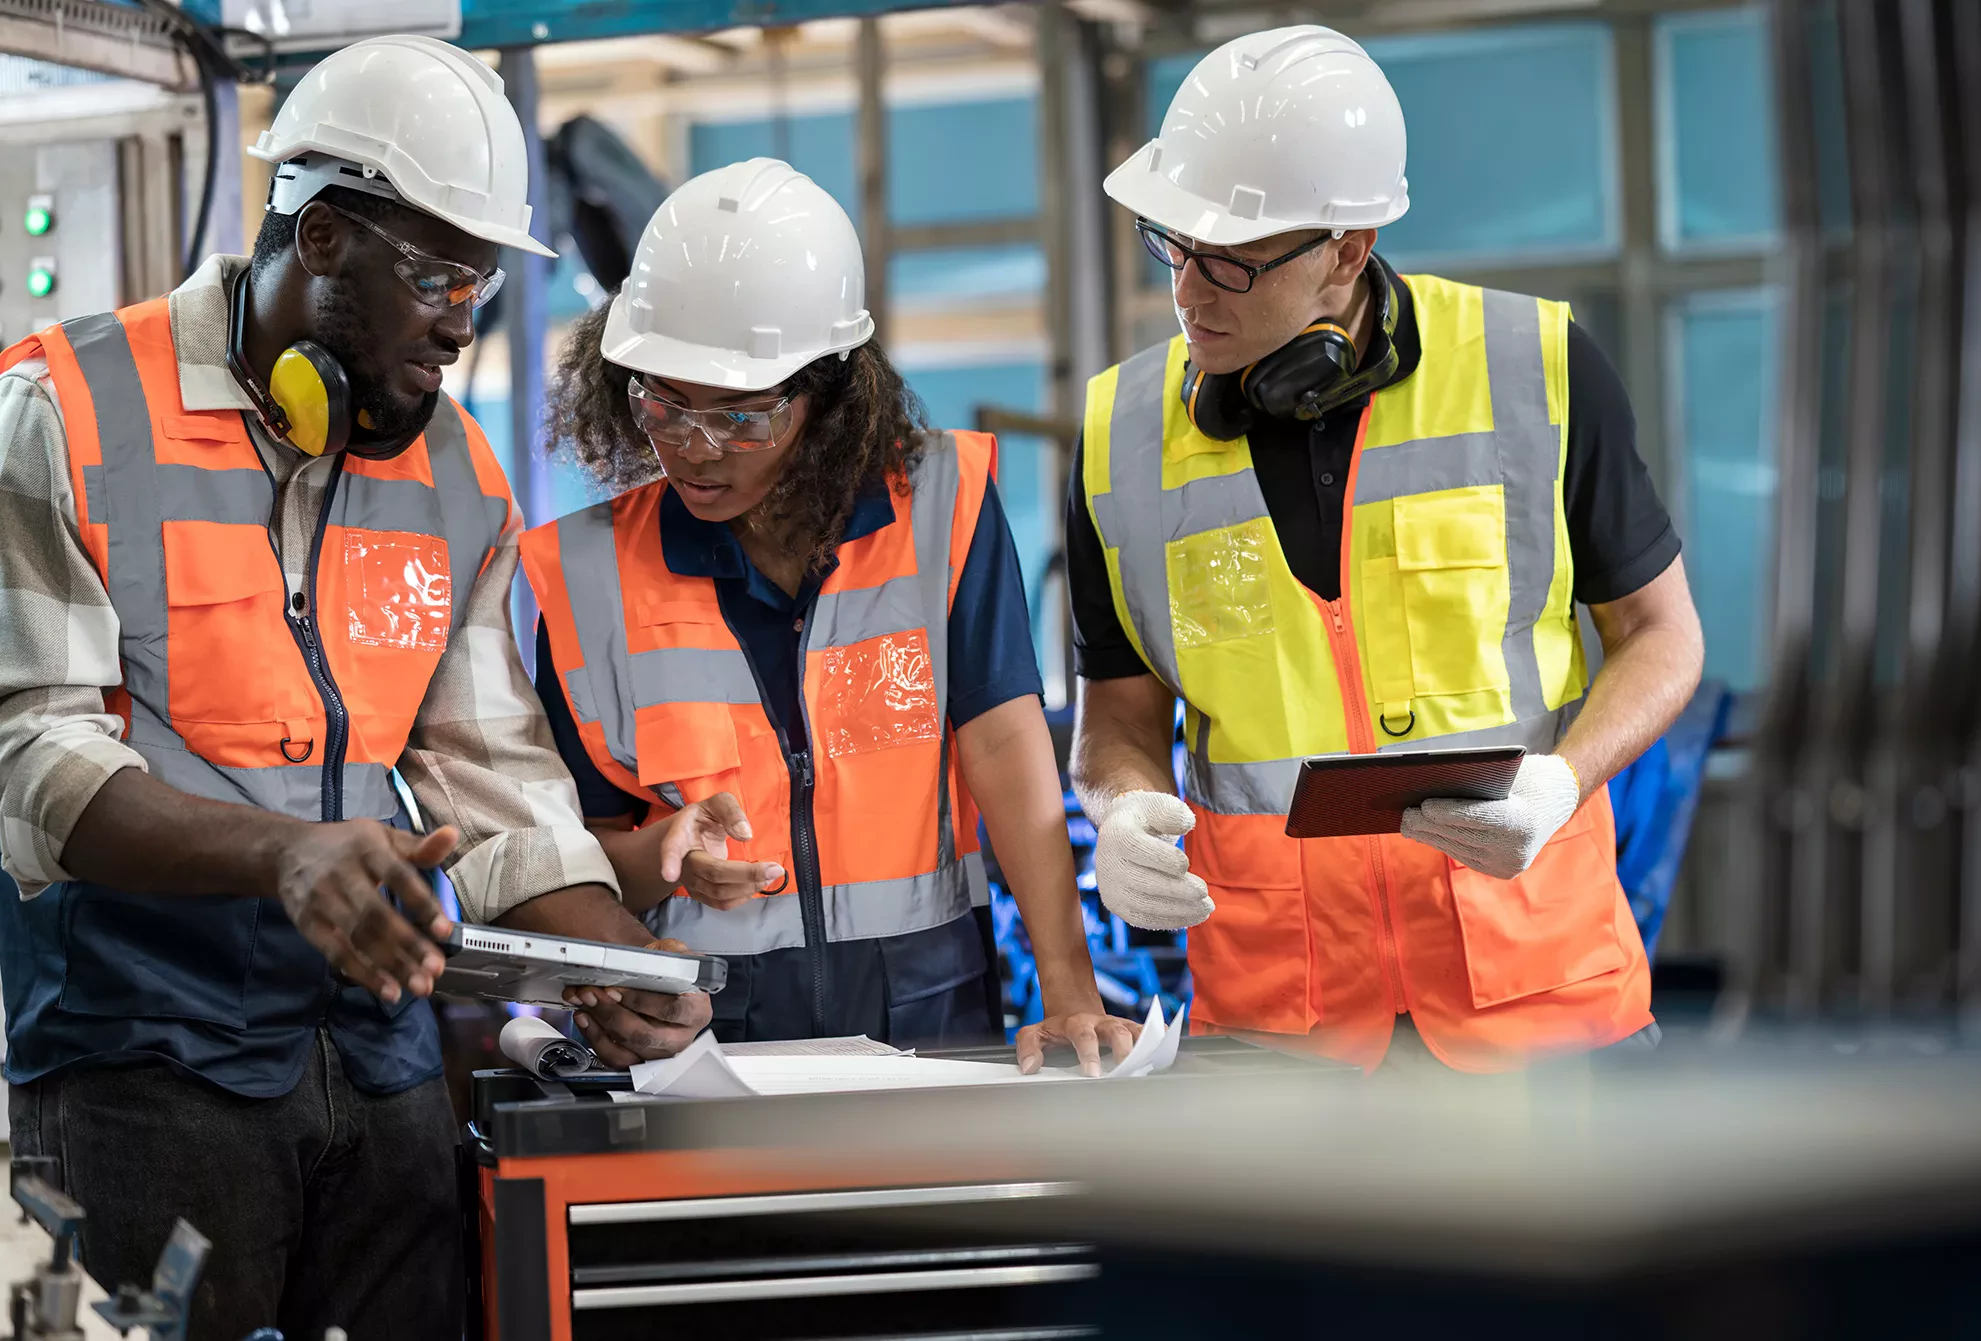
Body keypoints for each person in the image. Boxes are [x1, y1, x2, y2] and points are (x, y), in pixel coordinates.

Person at [0, 36, 709, 1337]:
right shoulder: (69, 412)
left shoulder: (452, 469)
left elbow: (487, 767)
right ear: (321, 236)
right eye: (437, 274)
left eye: (482, 282)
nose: (461, 319)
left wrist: (603, 951)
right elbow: (30, 768)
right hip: (141, 1067)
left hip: (379, 1060)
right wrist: (285, 855)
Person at [1069, 26, 1705, 1073]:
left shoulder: (1535, 372)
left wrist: (1556, 783)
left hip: (1537, 1001)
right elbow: (1117, 719)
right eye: (1169, 243)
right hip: (1282, 1024)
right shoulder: (1116, 436)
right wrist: (1121, 810)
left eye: (1228, 262)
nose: (1186, 293)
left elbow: (1661, 637)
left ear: (1347, 249)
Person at [524, 157, 1139, 1072]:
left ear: (830, 395)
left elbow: (1005, 746)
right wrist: (665, 854)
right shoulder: (584, 576)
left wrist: (1070, 988)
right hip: (707, 1034)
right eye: (662, 404)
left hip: (934, 1012)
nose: (693, 449)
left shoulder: (943, 506)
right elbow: (569, 855)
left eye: (740, 416)